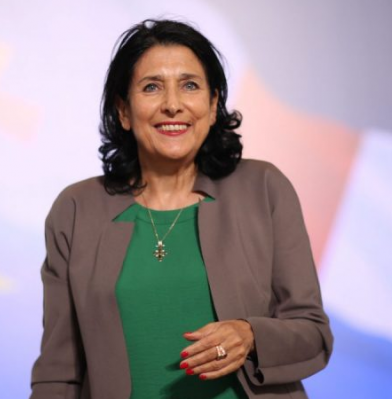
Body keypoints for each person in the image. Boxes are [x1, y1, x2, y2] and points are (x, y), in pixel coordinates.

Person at [30, 19, 333, 399]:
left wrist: (250, 335)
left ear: (213, 104)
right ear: (123, 110)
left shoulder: (264, 187)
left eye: (190, 85)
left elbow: (313, 332)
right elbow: (58, 371)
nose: (172, 105)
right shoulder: (76, 209)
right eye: (152, 87)